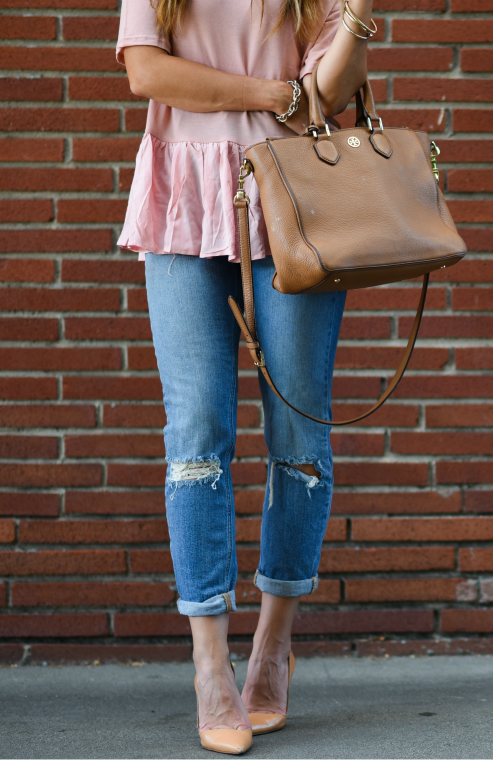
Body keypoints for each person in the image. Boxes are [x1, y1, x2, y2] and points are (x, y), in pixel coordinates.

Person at [116, 0, 377, 752]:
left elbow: (330, 93)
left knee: (298, 437)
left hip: (296, 199)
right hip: (181, 198)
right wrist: (273, 94)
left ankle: (271, 646)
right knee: (196, 438)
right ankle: (209, 666)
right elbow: (146, 72)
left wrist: (357, 17)